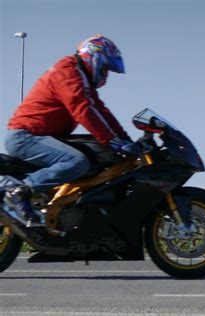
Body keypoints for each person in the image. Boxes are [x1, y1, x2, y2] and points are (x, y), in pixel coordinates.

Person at [4, 35, 134, 224]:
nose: (105, 76)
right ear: (94, 56)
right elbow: (83, 109)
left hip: (41, 137)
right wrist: (113, 140)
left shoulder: (80, 78)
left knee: (100, 150)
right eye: (105, 69)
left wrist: (125, 140)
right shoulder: (67, 71)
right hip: (25, 137)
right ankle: (22, 191)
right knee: (77, 161)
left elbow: (100, 110)